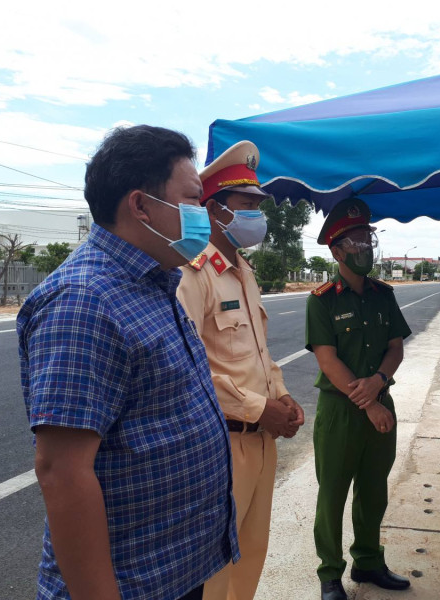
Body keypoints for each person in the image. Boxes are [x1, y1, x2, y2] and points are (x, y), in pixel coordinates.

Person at [17, 125, 239, 600]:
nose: (204, 216)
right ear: (141, 205)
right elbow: (62, 471)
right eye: (194, 200)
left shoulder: (153, 283)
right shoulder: (84, 301)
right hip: (132, 584)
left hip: (174, 571)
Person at [176, 140, 305, 600]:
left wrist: (282, 396)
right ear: (213, 210)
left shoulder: (242, 270)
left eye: (258, 206)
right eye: (246, 205)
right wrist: (256, 407)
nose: (257, 216)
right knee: (215, 568)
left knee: (250, 556)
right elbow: (185, 368)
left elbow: (257, 351)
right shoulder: (192, 274)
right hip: (221, 444)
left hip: (261, 440)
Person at [305, 198, 412, 600]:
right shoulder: (322, 299)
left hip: (381, 402)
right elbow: (327, 359)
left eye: (368, 237)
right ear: (336, 251)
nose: (365, 246)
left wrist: (380, 381)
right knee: (332, 492)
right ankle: (330, 574)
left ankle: (368, 561)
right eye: (355, 240)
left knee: (373, 489)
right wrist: (368, 401)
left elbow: (396, 347)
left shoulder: (383, 294)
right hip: (341, 411)